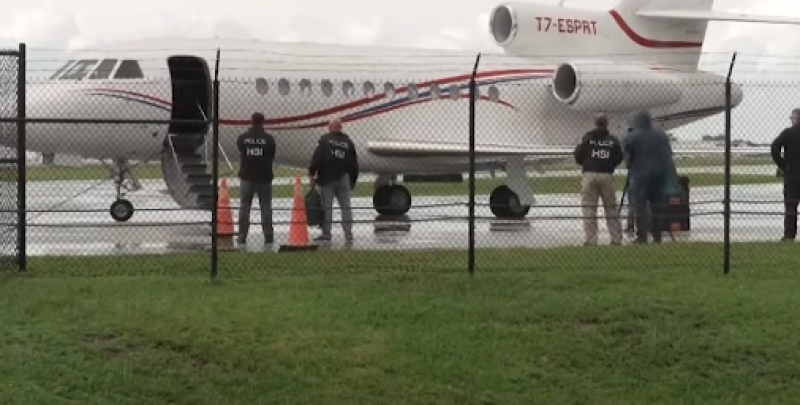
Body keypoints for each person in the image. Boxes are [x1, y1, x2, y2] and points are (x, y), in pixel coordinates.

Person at [623, 110, 679, 244]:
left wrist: (631, 167)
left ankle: (642, 235)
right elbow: (668, 154)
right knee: (657, 205)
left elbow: (628, 159)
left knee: (640, 205)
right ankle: (657, 235)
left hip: (640, 175)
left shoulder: (632, 136)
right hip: (659, 175)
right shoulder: (661, 135)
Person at [573, 112, 624, 246]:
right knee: (611, 208)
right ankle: (616, 238)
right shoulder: (612, 140)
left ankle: (591, 240)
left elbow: (578, 156)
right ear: (607, 124)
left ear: (595, 124)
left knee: (589, 208)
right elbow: (619, 158)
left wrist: (588, 162)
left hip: (589, 174)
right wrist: (609, 164)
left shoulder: (587, 139)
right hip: (606, 175)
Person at [308, 117, 359, 242]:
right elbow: (354, 164)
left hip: (327, 177)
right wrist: (353, 180)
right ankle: (348, 233)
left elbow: (317, 158)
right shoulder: (348, 143)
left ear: (330, 127)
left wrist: (312, 173)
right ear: (341, 127)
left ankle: (327, 233)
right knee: (346, 206)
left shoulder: (325, 141)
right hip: (344, 178)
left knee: (327, 207)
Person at [235, 112, 277, 245]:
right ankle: (268, 235)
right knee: (265, 207)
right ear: (263, 122)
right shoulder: (269, 139)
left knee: (244, 206)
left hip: (247, 176)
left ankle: (242, 235)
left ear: (251, 121)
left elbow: (241, 150)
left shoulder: (243, 138)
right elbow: (272, 155)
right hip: (264, 177)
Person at [770, 108, 800, 241]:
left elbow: (774, 147)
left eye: (792, 118)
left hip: (792, 174)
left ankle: (789, 235)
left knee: (791, 205)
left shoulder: (788, 133)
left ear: (795, 119)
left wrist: (782, 165)